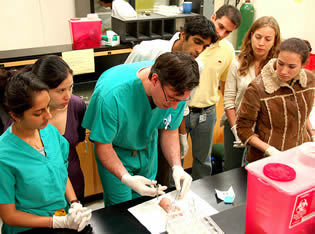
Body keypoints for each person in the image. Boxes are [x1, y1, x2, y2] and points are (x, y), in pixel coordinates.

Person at [82, 52, 199, 206]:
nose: (175, 106)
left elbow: (169, 130)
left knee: (145, 204)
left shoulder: (177, 90)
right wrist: (125, 178)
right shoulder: (112, 95)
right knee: (121, 210)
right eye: (172, 98)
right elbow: (103, 144)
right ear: (155, 80)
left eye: (181, 100)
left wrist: (177, 166)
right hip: (116, 153)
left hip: (147, 149)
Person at [124, 15, 217, 185]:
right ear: (183, 34)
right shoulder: (146, 51)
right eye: (197, 42)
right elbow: (126, 84)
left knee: (161, 178)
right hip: (133, 120)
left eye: (205, 46)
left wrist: (181, 135)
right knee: (128, 180)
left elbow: (182, 105)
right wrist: (132, 134)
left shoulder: (197, 67)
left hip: (164, 124)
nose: (199, 50)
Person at [0, 71, 91, 234]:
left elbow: (62, 173)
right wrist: (55, 222)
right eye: (38, 112)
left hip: (60, 219)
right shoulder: (4, 155)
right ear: (15, 116)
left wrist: (74, 202)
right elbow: (9, 215)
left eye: (48, 106)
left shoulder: (50, 133)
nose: (48, 115)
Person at [185, 4, 241, 180]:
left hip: (207, 113)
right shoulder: (192, 42)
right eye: (221, 26)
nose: (221, 34)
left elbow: (225, 86)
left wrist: (227, 111)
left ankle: (201, 200)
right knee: (174, 160)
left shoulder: (228, 51)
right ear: (213, 17)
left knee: (203, 162)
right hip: (179, 110)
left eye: (228, 32)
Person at [237, 38, 315, 163]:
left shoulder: (309, 81)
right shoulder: (257, 88)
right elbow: (243, 129)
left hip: (298, 154)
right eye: (281, 63)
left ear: (304, 64)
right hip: (264, 159)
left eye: (292, 67)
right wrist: (270, 150)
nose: (284, 71)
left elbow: (302, 115)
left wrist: (312, 134)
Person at [222, 16, 281, 171]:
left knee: (259, 171)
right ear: (251, 36)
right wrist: (236, 129)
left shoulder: (278, 67)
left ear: (275, 41)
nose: (261, 43)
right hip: (236, 123)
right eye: (258, 37)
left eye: (268, 39)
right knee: (232, 170)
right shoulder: (237, 63)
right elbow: (229, 100)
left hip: (264, 129)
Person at [31, 55, 87, 202]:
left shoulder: (76, 106)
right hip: (41, 196)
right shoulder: (25, 117)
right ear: (41, 88)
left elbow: (79, 139)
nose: (67, 96)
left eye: (71, 87)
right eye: (60, 90)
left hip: (74, 186)